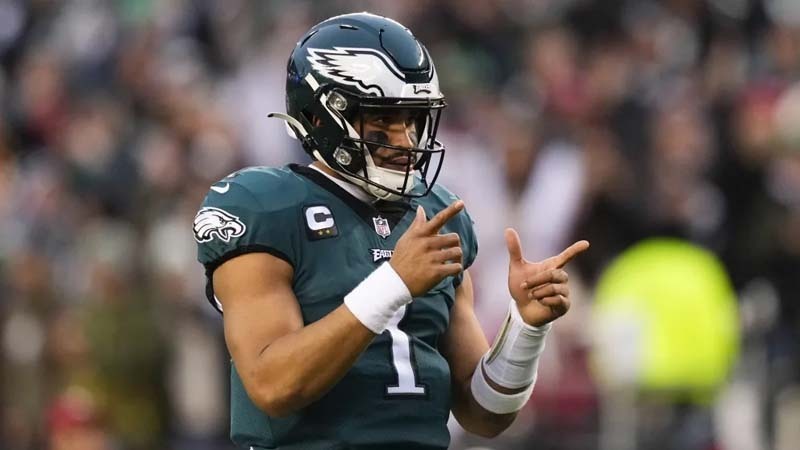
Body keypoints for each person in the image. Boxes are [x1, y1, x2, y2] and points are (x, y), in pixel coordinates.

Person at [193, 12, 589, 450]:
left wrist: (526, 329)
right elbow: (273, 386)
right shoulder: (266, 206)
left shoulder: (436, 214)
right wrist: (394, 283)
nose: (405, 141)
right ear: (323, 117)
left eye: (413, 120)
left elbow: (484, 414)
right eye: (383, 121)